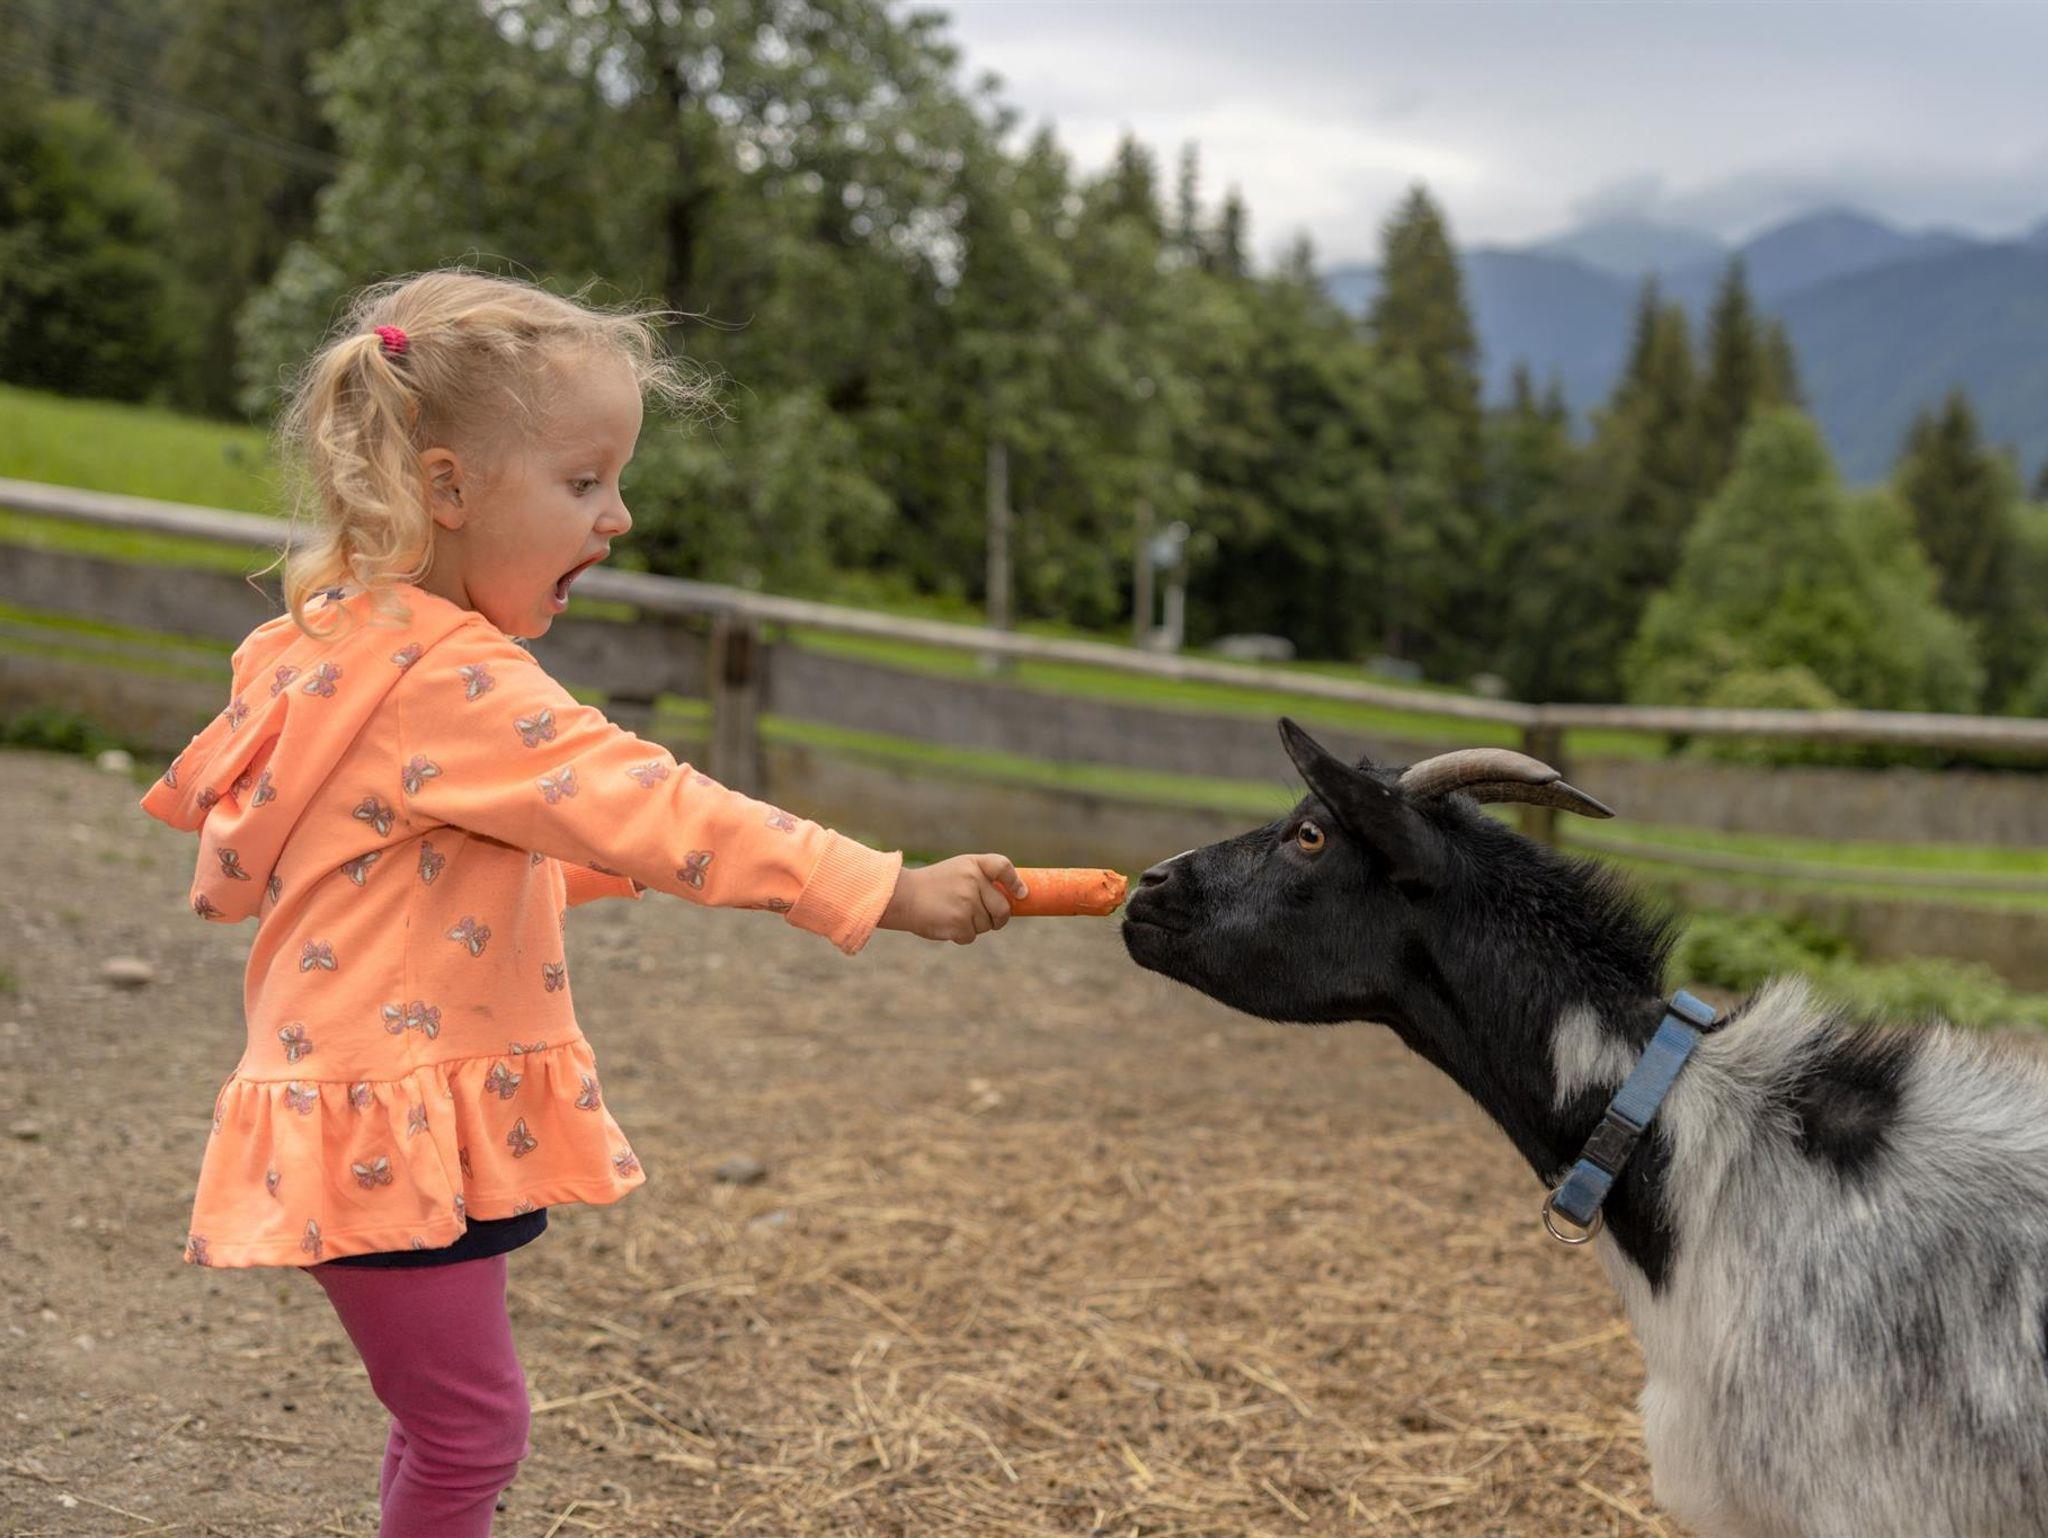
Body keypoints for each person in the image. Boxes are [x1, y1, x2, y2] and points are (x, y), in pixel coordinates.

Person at [140, 268, 1027, 1536]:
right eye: (582, 480)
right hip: (393, 1110)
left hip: (381, 1104)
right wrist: (882, 886)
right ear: (448, 488)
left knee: (441, 1424)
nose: (618, 515)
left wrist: (641, 866)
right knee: (472, 1431)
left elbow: (426, 864)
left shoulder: (345, 641)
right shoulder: (449, 676)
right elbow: (652, 800)